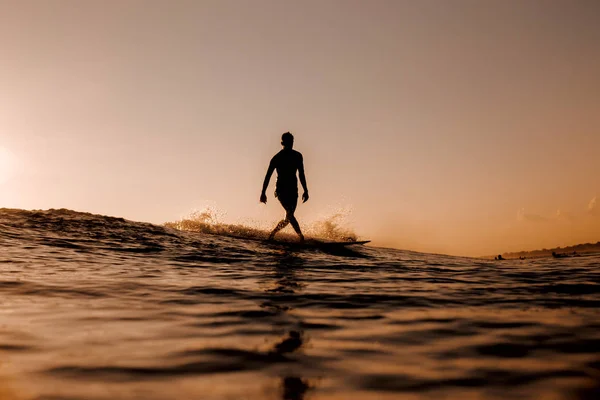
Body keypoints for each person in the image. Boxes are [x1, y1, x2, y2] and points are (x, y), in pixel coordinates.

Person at [260, 132, 309, 241]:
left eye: (291, 142)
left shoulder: (297, 156)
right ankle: (301, 237)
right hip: (281, 190)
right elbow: (268, 176)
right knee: (290, 214)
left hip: (293, 190)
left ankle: (272, 235)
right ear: (282, 143)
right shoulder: (277, 158)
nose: (290, 144)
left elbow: (301, 174)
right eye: (288, 142)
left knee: (288, 218)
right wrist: (263, 193)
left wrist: (305, 190)